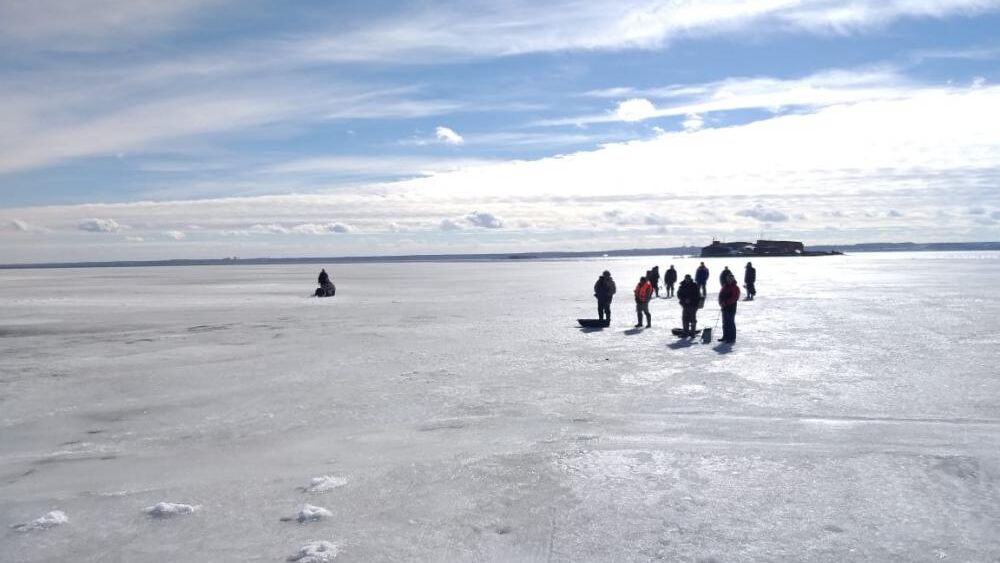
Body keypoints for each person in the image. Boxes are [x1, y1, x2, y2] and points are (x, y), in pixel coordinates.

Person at [718, 273, 741, 343]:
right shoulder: (725, 286)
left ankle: (731, 338)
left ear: (733, 279)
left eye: (730, 279)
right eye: (728, 279)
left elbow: (735, 297)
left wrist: (726, 302)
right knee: (725, 323)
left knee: (730, 322)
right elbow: (720, 295)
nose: (729, 280)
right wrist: (721, 302)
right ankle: (725, 336)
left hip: (731, 307)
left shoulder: (735, 287)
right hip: (724, 307)